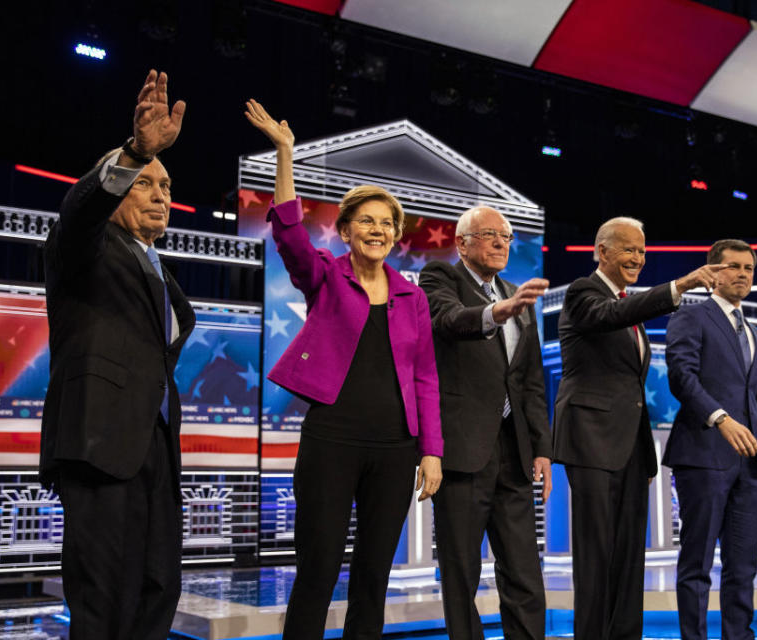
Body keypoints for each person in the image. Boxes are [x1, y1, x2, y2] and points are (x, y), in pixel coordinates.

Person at [244, 99, 443, 639]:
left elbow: (425, 375)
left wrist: (431, 451)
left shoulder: (413, 296)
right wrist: (285, 154)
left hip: (397, 448)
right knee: (319, 567)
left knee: (374, 578)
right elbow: (287, 234)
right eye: (366, 222)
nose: (377, 230)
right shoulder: (326, 278)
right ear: (349, 229)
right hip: (331, 438)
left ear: (396, 235)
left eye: (386, 223)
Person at [40, 69, 195, 639]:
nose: (160, 195)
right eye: (145, 183)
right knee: (103, 597)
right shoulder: (85, 248)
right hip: (100, 444)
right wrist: (134, 151)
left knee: (159, 589)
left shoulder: (160, 273)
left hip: (154, 447)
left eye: (168, 187)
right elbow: (80, 212)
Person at [551, 217, 726, 640]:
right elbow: (611, 315)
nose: (637, 258)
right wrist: (679, 287)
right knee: (595, 556)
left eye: (643, 251)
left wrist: (644, 452)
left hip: (630, 449)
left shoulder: (630, 306)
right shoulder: (583, 293)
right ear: (602, 251)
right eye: (628, 249)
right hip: (591, 441)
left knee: (630, 556)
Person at [419, 206, 551, 640]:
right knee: (461, 575)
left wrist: (543, 448)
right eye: (490, 234)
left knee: (525, 574)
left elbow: (530, 381)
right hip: (462, 451)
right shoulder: (440, 277)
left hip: (514, 454)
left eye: (507, 237)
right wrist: (497, 313)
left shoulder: (518, 295)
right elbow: (447, 320)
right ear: (462, 243)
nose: (501, 243)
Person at [663, 239, 757, 640]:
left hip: (750, 465)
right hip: (702, 454)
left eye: (749, 268)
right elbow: (682, 377)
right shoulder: (691, 317)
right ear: (712, 272)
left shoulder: (755, 334)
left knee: (743, 565)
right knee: (696, 563)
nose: (743, 274)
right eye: (733, 267)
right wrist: (721, 419)